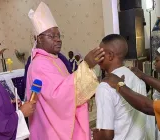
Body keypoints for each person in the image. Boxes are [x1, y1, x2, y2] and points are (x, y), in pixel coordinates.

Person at [27, 2, 105, 140]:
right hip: (51, 129)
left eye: (59, 36)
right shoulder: (39, 64)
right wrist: (86, 66)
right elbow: (59, 96)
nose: (58, 40)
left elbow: (66, 87)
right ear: (39, 38)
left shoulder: (55, 59)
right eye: (52, 36)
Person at [93, 34, 154, 140]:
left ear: (110, 55)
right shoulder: (137, 78)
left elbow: (106, 135)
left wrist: (96, 135)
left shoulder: (105, 87)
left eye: (100, 53)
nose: (97, 57)